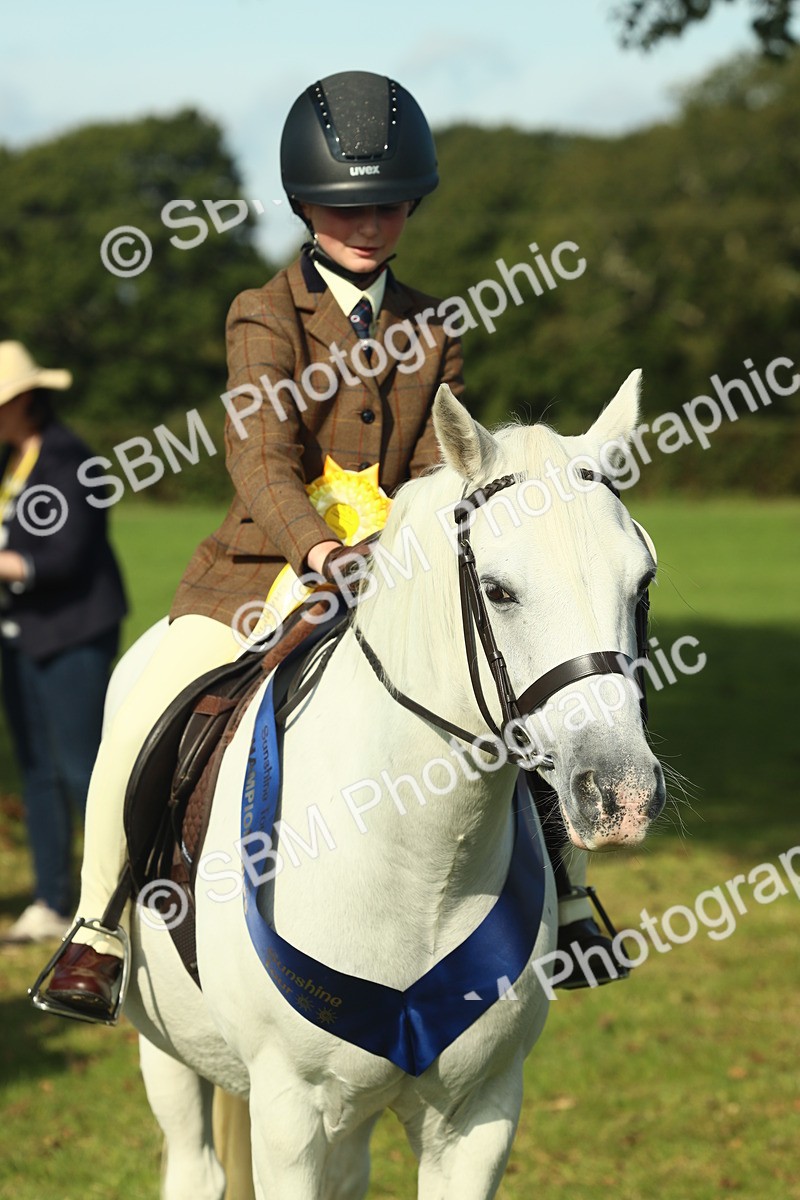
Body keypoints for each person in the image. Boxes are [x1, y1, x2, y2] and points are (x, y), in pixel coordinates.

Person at [41, 70, 622, 1020]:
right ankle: (99, 925)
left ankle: (568, 892)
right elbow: (260, 455)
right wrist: (315, 550)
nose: (368, 222)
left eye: (389, 205)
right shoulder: (262, 313)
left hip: (398, 570)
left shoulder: (433, 325)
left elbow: (444, 464)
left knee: (514, 686)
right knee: (147, 701)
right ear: (307, 203)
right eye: (347, 205)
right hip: (263, 570)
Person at [0, 341, 127, 944]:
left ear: (24, 401)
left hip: (74, 632)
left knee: (84, 770)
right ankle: (51, 899)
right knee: (37, 771)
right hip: (21, 637)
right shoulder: (13, 459)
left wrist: (5, 564)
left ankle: (113, 901)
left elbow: (67, 555)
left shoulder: (70, 458)